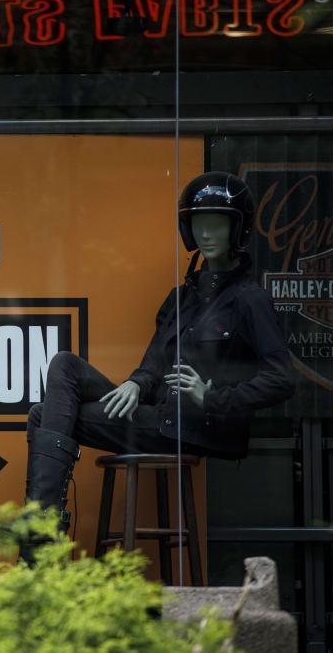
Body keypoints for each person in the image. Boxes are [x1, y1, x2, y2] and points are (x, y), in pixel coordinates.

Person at [23, 172, 296, 549]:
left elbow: (282, 380)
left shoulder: (250, 300)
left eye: (217, 224)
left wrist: (211, 397)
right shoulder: (180, 298)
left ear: (238, 229)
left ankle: (39, 530)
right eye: (198, 224)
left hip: (194, 426)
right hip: (161, 416)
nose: (206, 233)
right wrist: (137, 382)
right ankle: (40, 524)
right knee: (65, 364)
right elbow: (153, 365)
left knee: (42, 416)